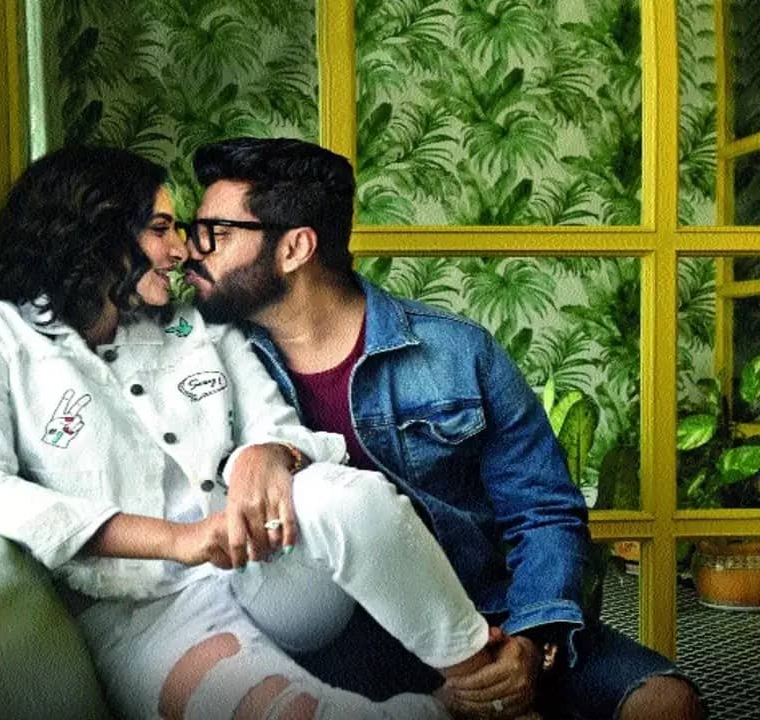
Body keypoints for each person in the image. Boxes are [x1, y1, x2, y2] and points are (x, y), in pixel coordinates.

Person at [0, 145, 502, 720]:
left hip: (265, 562)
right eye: (160, 230)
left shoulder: (195, 326)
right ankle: (447, 712)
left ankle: (485, 680)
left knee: (347, 495)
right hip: (147, 613)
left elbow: (284, 430)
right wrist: (175, 539)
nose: (181, 250)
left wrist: (267, 453)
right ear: (96, 234)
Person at [184, 136, 707, 720]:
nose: (189, 252)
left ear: (294, 248)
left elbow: (543, 510)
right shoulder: (204, 370)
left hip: (489, 614)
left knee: (667, 702)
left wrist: (532, 639)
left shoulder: (458, 352)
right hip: (333, 645)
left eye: (215, 234)